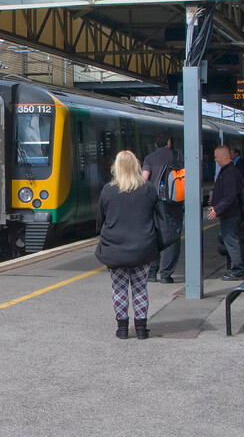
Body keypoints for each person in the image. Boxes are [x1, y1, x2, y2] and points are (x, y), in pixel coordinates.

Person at [95, 150, 160, 340]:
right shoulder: (148, 188)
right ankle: (141, 329)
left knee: (119, 289)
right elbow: (158, 216)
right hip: (142, 248)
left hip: (115, 249)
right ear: (136, 166)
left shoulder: (108, 189)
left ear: (116, 167)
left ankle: (122, 329)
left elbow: (100, 220)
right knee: (140, 288)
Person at [141, 133, 183, 283]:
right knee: (173, 236)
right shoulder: (178, 156)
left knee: (154, 236)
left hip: (154, 203)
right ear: (169, 142)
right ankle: (166, 275)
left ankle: (151, 273)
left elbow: (144, 179)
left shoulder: (150, 158)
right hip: (174, 203)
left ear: (156, 144)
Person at [207, 145, 244, 281]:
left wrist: (217, 209)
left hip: (231, 214)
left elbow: (230, 196)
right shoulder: (229, 171)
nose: (215, 160)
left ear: (224, 157)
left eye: (216, 157)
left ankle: (238, 270)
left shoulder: (229, 172)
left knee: (231, 240)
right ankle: (240, 267)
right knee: (232, 240)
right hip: (230, 213)